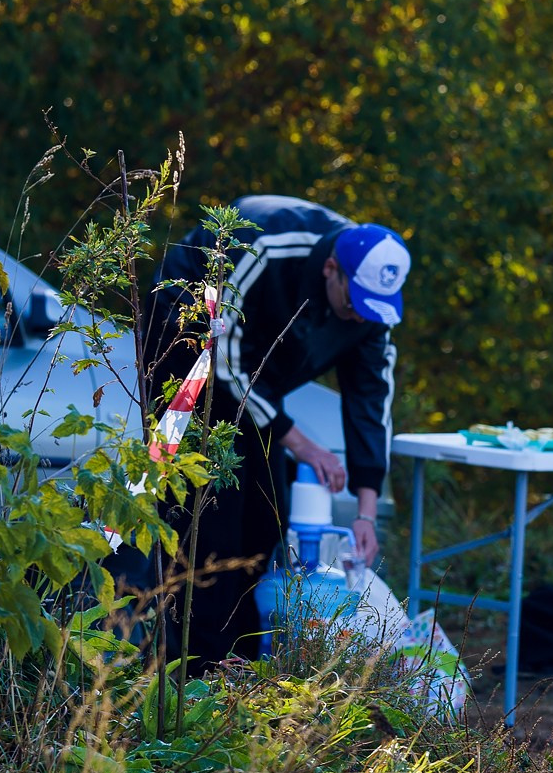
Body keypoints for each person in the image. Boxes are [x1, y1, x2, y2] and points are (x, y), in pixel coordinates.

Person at [146, 194, 411, 667]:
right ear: (331, 269)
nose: (360, 317)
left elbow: (371, 401)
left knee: (266, 518)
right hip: (190, 347)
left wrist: (366, 514)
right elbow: (221, 357)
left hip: (254, 370)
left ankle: (241, 664)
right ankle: (192, 670)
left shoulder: (370, 303)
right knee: (211, 519)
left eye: (372, 309)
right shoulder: (268, 249)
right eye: (355, 304)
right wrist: (304, 445)